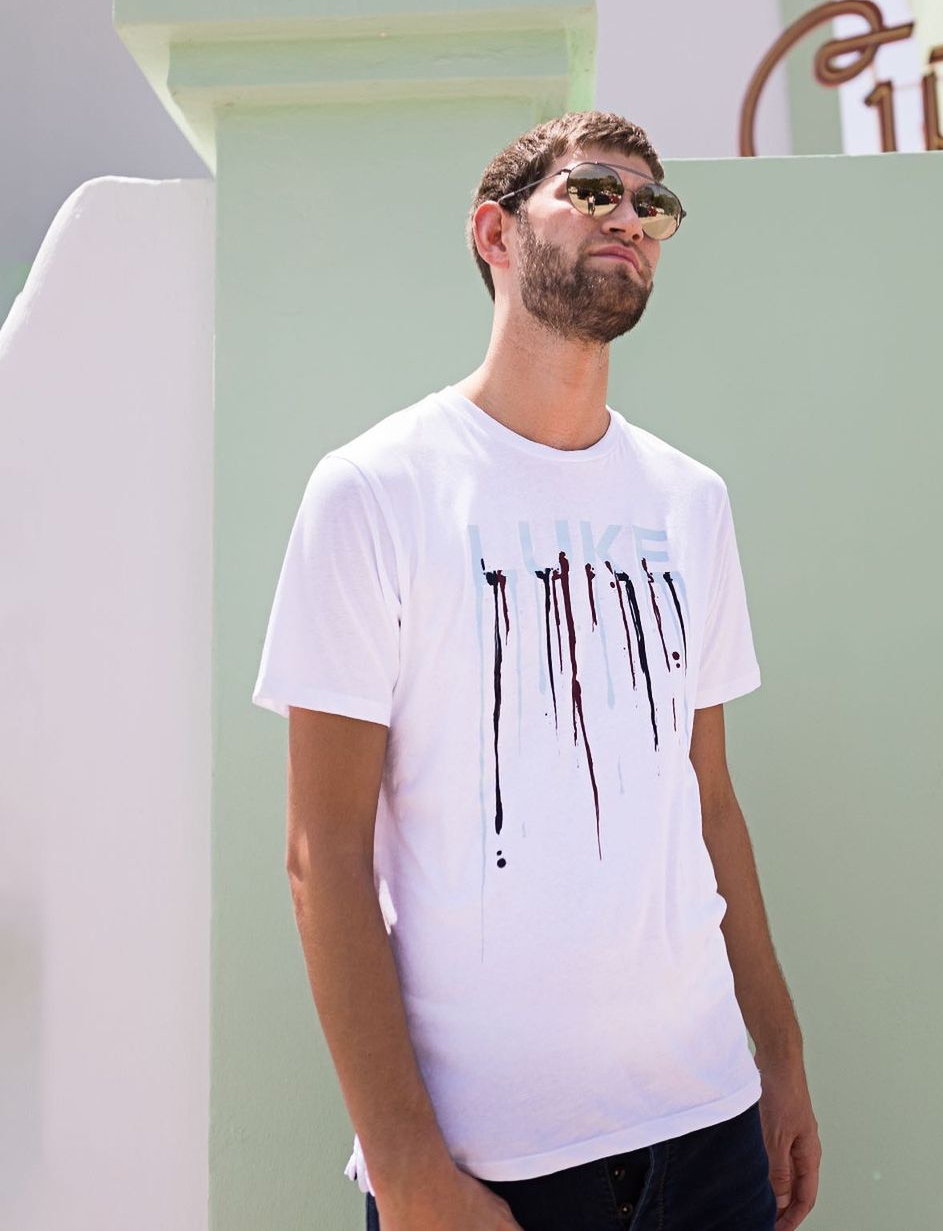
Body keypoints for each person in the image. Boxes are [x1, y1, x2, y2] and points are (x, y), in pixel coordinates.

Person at [252, 109, 821, 1231]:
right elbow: (324, 853)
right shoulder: (374, 492)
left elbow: (708, 802)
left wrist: (781, 1057)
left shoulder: (690, 502)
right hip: (487, 1160)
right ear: (494, 233)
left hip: (709, 1131)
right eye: (594, 190)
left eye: (654, 204)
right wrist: (408, 1169)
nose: (631, 218)